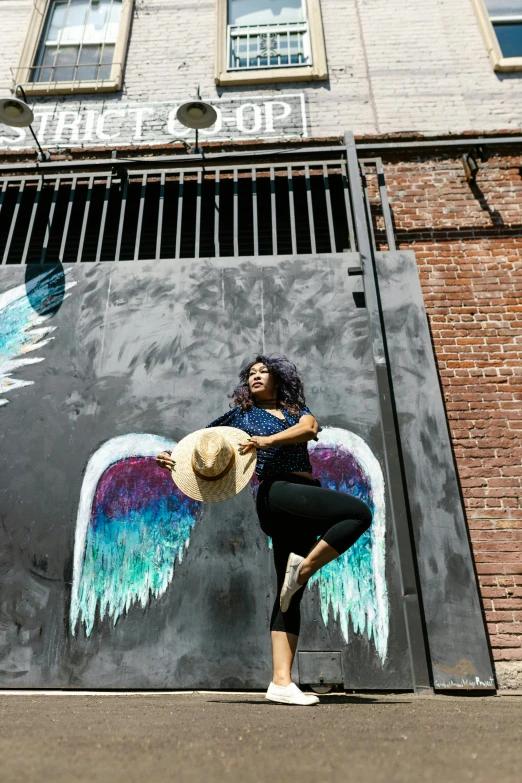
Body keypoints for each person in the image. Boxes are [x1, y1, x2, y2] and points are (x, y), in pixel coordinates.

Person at [156, 355, 372, 706]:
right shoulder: (240, 416)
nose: (256, 377)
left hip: (303, 494)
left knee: (290, 595)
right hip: (278, 493)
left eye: (263, 372)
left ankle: (281, 683)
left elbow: (310, 429)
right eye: (251, 374)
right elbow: (201, 445)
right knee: (358, 513)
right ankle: (304, 569)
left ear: (278, 380)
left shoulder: (295, 411)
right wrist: (171, 458)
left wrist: (264, 441)